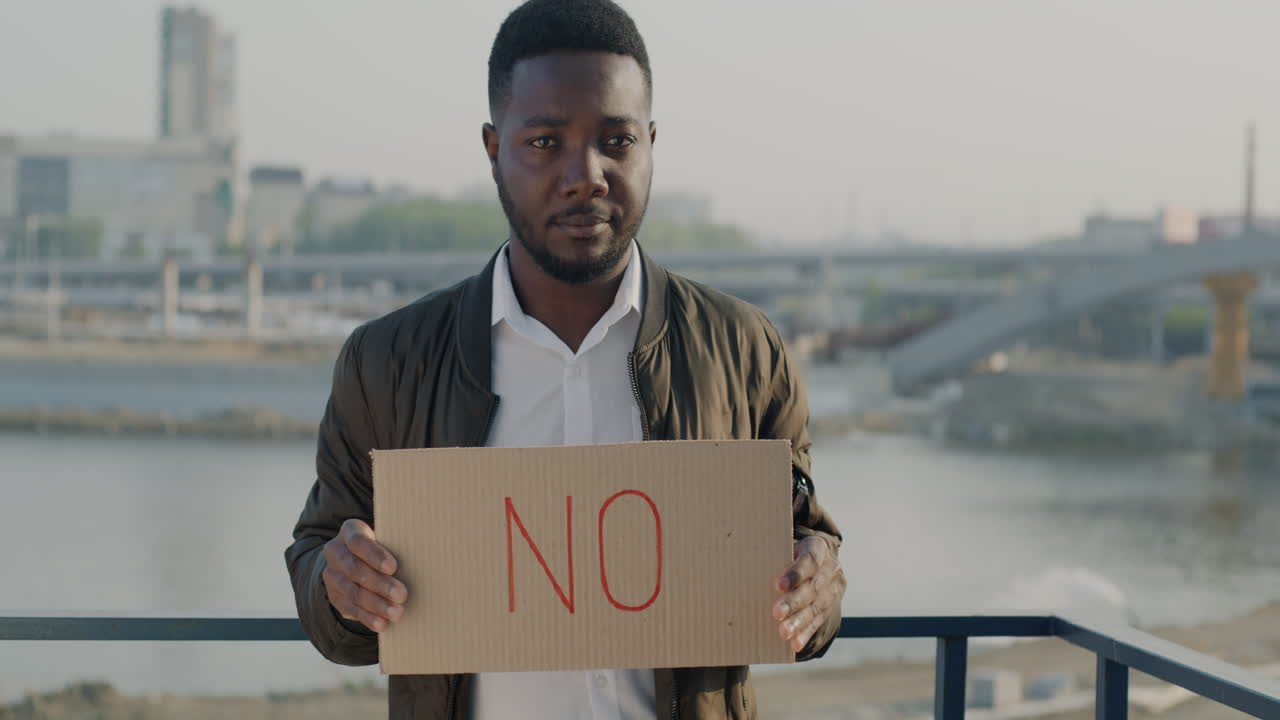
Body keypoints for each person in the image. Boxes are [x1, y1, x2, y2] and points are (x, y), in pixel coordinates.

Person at [284, 0, 846, 717]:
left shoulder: (746, 352)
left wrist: (819, 588)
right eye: (546, 142)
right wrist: (338, 585)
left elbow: (807, 552)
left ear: (651, 143)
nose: (586, 175)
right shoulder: (387, 362)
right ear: (494, 150)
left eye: (617, 140)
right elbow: (322, 574)